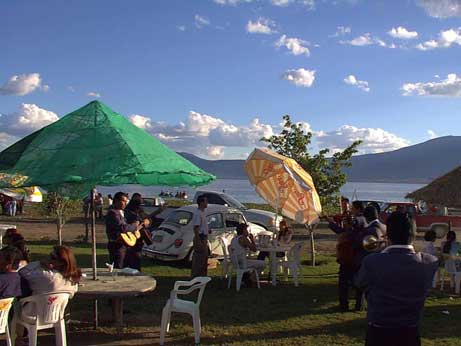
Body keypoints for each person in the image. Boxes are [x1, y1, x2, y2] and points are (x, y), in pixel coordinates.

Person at [355, 212, 438, 346]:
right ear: (414, 234)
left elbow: (359, 283)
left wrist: (383, 251)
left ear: (388, 235)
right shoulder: (430, 262)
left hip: (378, 332)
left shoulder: (372, 261)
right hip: (410, 332)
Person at [327, 200, 366, 312]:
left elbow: (344, 232)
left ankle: (344, 305)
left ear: (358, 209)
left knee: (344, 282)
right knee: (358, 282)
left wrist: (332, 223)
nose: (351, 210)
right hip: (357, 256)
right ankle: (359, 305)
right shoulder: (363, 220)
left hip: (350, 255)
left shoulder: (356, 220)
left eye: (352, 208)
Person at [106, 192, 147, 269]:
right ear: (117, 201)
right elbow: (123, 228)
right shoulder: (113, 213)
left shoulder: (121, 212)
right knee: (118, 268)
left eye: (126, 201)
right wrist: (135, 225)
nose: (125, 203)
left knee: (126, 266)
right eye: (123, 201)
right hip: (116, 245)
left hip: (123, 244)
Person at [124, 193, 158, 271]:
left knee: (135, 260)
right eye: (137, 200)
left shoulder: (136, 210)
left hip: (137, 240)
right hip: (130, 239)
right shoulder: (128, 212)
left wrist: (146, 222)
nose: (138, 202)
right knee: (132, 260)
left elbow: (146, 218)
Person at [191, 195, 210, 278]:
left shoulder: (202, 213)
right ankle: (196, 277)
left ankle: (202, 278)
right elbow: (196, 228)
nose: (207, 203)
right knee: (199, 260)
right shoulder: (198, 214)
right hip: (200, 238)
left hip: (204, 237)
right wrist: (198, 241)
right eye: (206, 201)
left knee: (204, 259)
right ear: (201, 203)